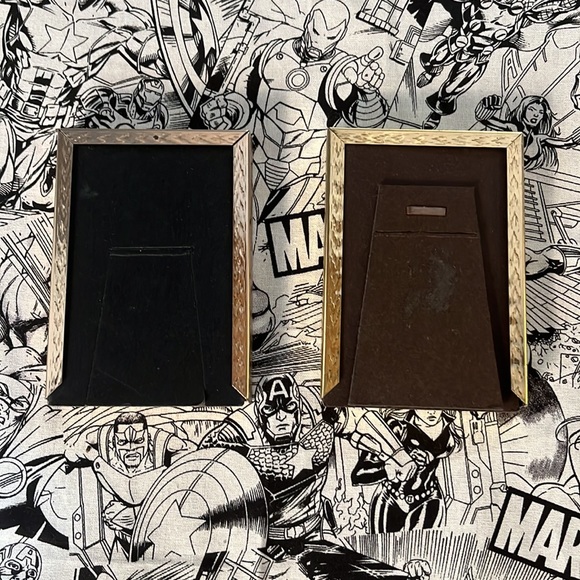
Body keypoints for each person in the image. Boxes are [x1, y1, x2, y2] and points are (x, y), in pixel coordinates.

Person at [199, 375, 419, 561]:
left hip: (316, 530)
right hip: (265, 542)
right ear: (260, 411)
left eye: (288, 407)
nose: (280, 416)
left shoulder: (314, 405)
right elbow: (206, 453)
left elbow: (358, 418)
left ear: (297, 405)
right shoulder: (242, 426)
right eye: (271, 410)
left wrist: (398, 454)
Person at [0, 0, 167, 209]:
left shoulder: (124, 20)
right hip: (7, 115)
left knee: (13, 192)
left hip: (47, 131)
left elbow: (162, 63)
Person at [65, 411, 195, 558]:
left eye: (139, 441)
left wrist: (136, 514)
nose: (131, 448)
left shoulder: (163, 442)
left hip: (160, 546)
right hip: (122, 543)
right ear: (114, 441)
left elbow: (134, 492)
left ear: (147, 437)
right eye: (123, 442)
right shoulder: (101, 439)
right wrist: (86, 453)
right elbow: (71, 450)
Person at [352, 409, 462, 533]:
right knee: (382, 544)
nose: (431, 412)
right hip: (390, 499)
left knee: (424, 545)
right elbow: (358, 475)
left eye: (437, 405)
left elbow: (445, 448)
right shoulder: (395, 427)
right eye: (424, 404)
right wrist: (390, 469)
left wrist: (429, 456)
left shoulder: (448, 432)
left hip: (429, 498)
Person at [475, 94, 580, 170]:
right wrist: (485, 107)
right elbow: (484, 119)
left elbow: (566, 143)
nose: (536, 115)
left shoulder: (539, 138)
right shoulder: (513, 128)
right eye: (531, 109)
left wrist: (575, 139)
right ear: (523, 110)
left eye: (540, 112)